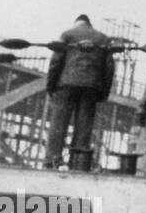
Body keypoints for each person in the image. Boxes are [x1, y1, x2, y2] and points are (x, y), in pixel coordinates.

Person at [45, 14, 115, 170]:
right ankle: (78, 164)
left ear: (76, 23)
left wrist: (50, 86)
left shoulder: (68, 34)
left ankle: (51, 162)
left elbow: (55, 61)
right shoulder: (103, 39)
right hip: (91, 86)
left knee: (58, 124)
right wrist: (104, 92)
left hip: (66, 84)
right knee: (84, 126)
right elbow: (109, 68)